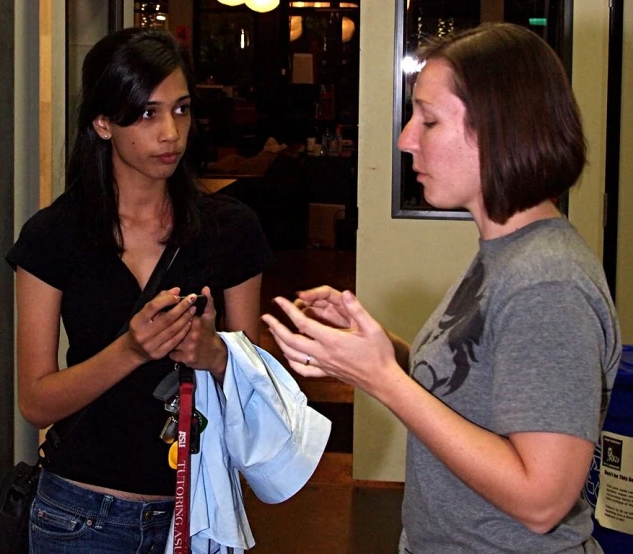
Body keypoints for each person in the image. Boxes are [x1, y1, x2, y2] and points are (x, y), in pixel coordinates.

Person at [262, 23, 621, 553]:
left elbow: (541, 500)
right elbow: (472, 388)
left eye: (428, 120)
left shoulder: (548, 283)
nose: (406, 139)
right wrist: (378, 351)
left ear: (501, 130)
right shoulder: (506, 254)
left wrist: (383, 379)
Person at [7, 27, 272, 554]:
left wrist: (216, 353)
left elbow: (260, 382)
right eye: (148, 113)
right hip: (82, 515)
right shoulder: (54, 235)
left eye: (181, 110)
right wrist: (131, 350)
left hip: (200, 511)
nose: (171, 133)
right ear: (103, 123)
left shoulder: (230, 228)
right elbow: (36, 401)